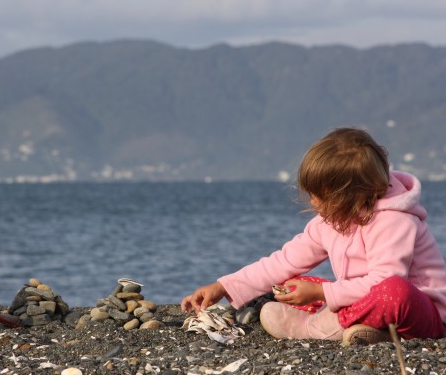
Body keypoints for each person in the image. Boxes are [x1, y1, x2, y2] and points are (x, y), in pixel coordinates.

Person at [181, 127, 446, 344]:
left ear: (350, 197)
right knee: (292, 282)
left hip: (424, 314)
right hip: (367, 305)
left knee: (393, 291)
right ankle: (369, 333)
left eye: (322, 197)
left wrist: (320, 292)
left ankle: (314, 328)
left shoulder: (394, 221)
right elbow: (282, 261)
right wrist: (223, 286)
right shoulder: (330, 221)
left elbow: (383, 281)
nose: (314, 203)